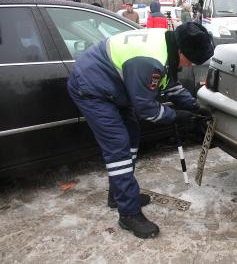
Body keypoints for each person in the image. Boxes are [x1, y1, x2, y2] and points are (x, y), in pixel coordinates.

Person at [67, 22, 213, 239]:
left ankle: (118, 195)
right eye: (190, 61)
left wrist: (193, 106)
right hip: (92, 88)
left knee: (132, 134)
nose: (189, 66)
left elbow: (168, 83)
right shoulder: (149, 60)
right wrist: (176, 116)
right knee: (118, 146)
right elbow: (146, 108)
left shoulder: (168, 42)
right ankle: (128, 214)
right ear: (181, 50)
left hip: (115, 88)